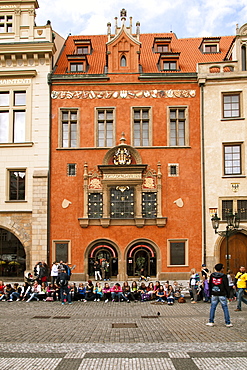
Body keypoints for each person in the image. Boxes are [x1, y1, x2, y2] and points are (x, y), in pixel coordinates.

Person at [206, 263, 232, 327]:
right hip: (222, 294)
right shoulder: (224, 276)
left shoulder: (212, 275)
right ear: (221, 269)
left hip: (214, 293)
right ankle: (227, 322)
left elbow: (210, 284)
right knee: (225, 308)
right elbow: (226, 286)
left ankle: (211, 321)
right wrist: (229, 295)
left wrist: (210, 292)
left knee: (213, 307)